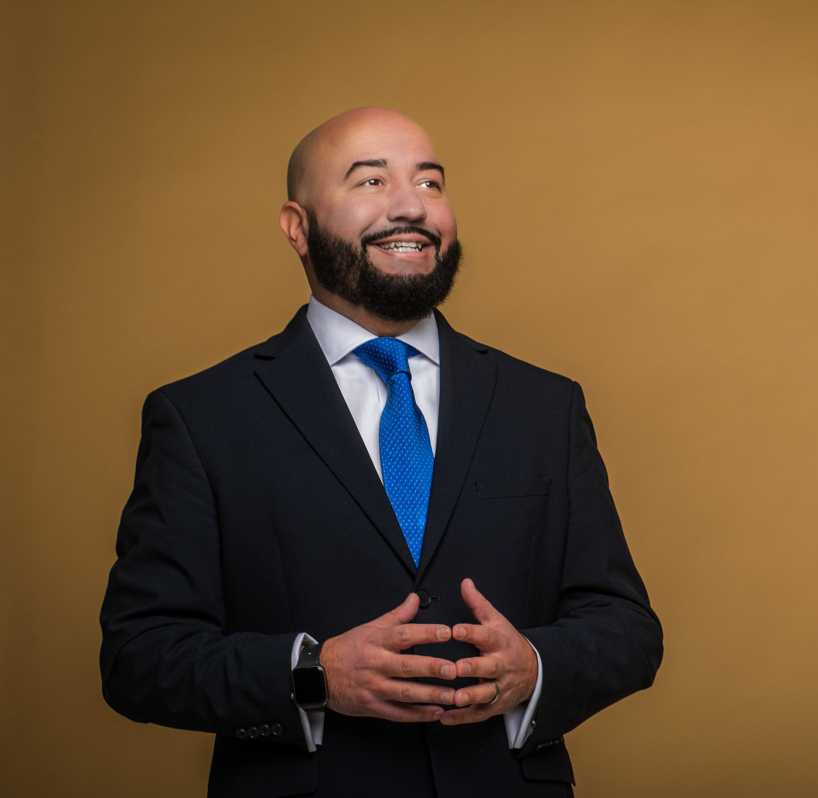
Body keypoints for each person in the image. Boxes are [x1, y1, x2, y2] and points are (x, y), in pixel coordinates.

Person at [99, 107, 663, 797]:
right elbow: (138, 656)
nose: (411, 207)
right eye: (371, 181)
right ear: (297, 227)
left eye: (430, 183)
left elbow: (628, 628)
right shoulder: (201, 417)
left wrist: (535, 668)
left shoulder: (545, 405)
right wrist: (313, 675)